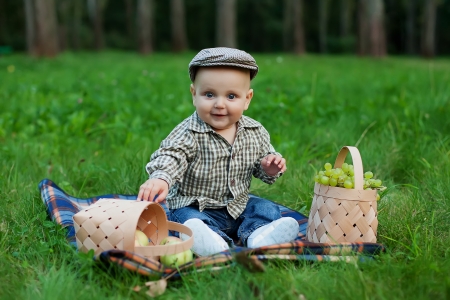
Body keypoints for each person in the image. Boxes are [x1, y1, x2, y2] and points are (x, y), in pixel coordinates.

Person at [137, 47, 299, 256]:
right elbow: (172, 154)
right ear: (194, 95)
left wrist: (269, 166)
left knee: (266, 208)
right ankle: (210, 240)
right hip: (196, 205)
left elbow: (262, 163)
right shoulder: (189, 132)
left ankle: (258, 235)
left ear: (247, 99)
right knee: (185, 218)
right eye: (209, 94)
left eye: (231, 96)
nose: (219, 104)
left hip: (237, 207)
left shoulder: (255, 131)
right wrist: (162, 178)